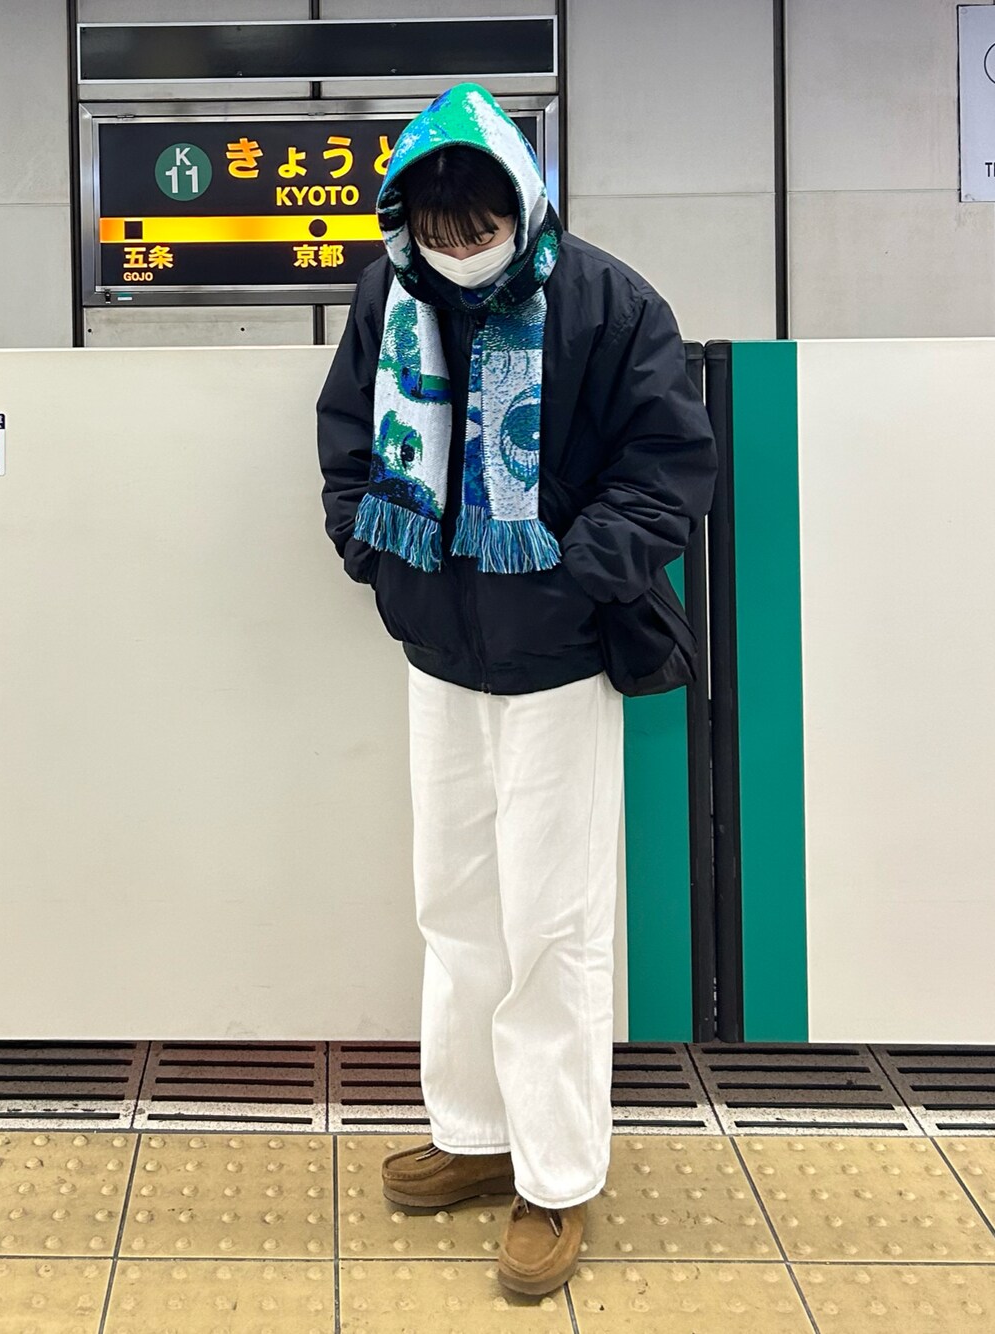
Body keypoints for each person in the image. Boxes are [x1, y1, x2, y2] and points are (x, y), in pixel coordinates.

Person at [317, 81, 717, 1296]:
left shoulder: (607, 301)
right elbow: (347, 440)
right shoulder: (390, 295)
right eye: (437, 234)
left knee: (554, 924)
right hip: (437, 652)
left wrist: (569, 580)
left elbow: (666, 468)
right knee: (456, 904)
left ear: (523, 207)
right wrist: (376, 555)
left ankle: (555, 1173)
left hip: (557, 662)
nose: (459, 253)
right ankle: (474, 1131)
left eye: (478, 230)